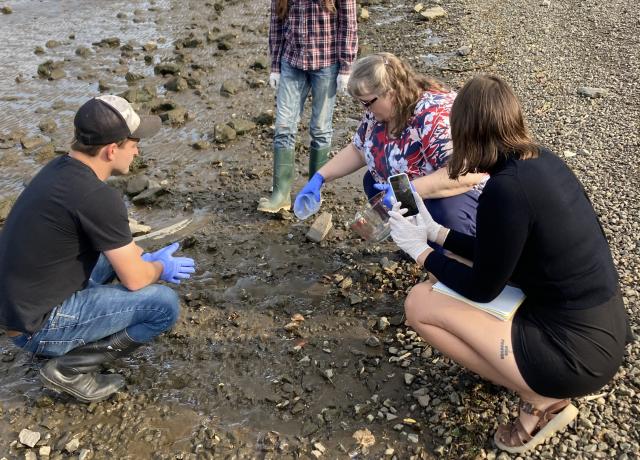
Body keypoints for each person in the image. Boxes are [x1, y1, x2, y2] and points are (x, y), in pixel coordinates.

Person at [387, 75, 629, 453]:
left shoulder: (506, 190)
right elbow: (499, 252)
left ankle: (540, 398)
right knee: (446, 266)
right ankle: (529, 376)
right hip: (603, 327)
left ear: (466, 132)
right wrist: (435, 234)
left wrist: (419, 252)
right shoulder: (540, 161)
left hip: (575, 356)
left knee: (419, 304)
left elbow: (485, 287)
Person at [0, 95, 196, 403]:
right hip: (35, 326)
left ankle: (64, 342)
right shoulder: (96, 197)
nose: (137, 150)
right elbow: (134, 280)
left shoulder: (58, 169)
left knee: (119, 256)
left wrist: (143, 259)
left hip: (18, 306)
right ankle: (70, 369)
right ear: (111, 150)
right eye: (134, 144)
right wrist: (159, 268)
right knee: (164, 305)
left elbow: (118, 253)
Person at [293, 52, 487, 236]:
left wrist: (407, 190)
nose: (364, 109)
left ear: (391, 93)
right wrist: (320, 177)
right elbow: (359, 150)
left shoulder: (432, 115)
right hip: (419, 189)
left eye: (367, 102)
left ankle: (453, 256)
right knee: (372, 180)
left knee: (444, 211)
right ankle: (418, 240)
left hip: (469, 196)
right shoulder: (379, 112)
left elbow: (466, 173)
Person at [258, 0, 358, 213]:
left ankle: (312, 192)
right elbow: (276, 24)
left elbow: (348, 23)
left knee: (321, 130)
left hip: (327, 63)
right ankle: (281, 194)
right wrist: (275, 65)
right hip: (291, 63)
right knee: (283, 127)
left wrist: (346, 67)